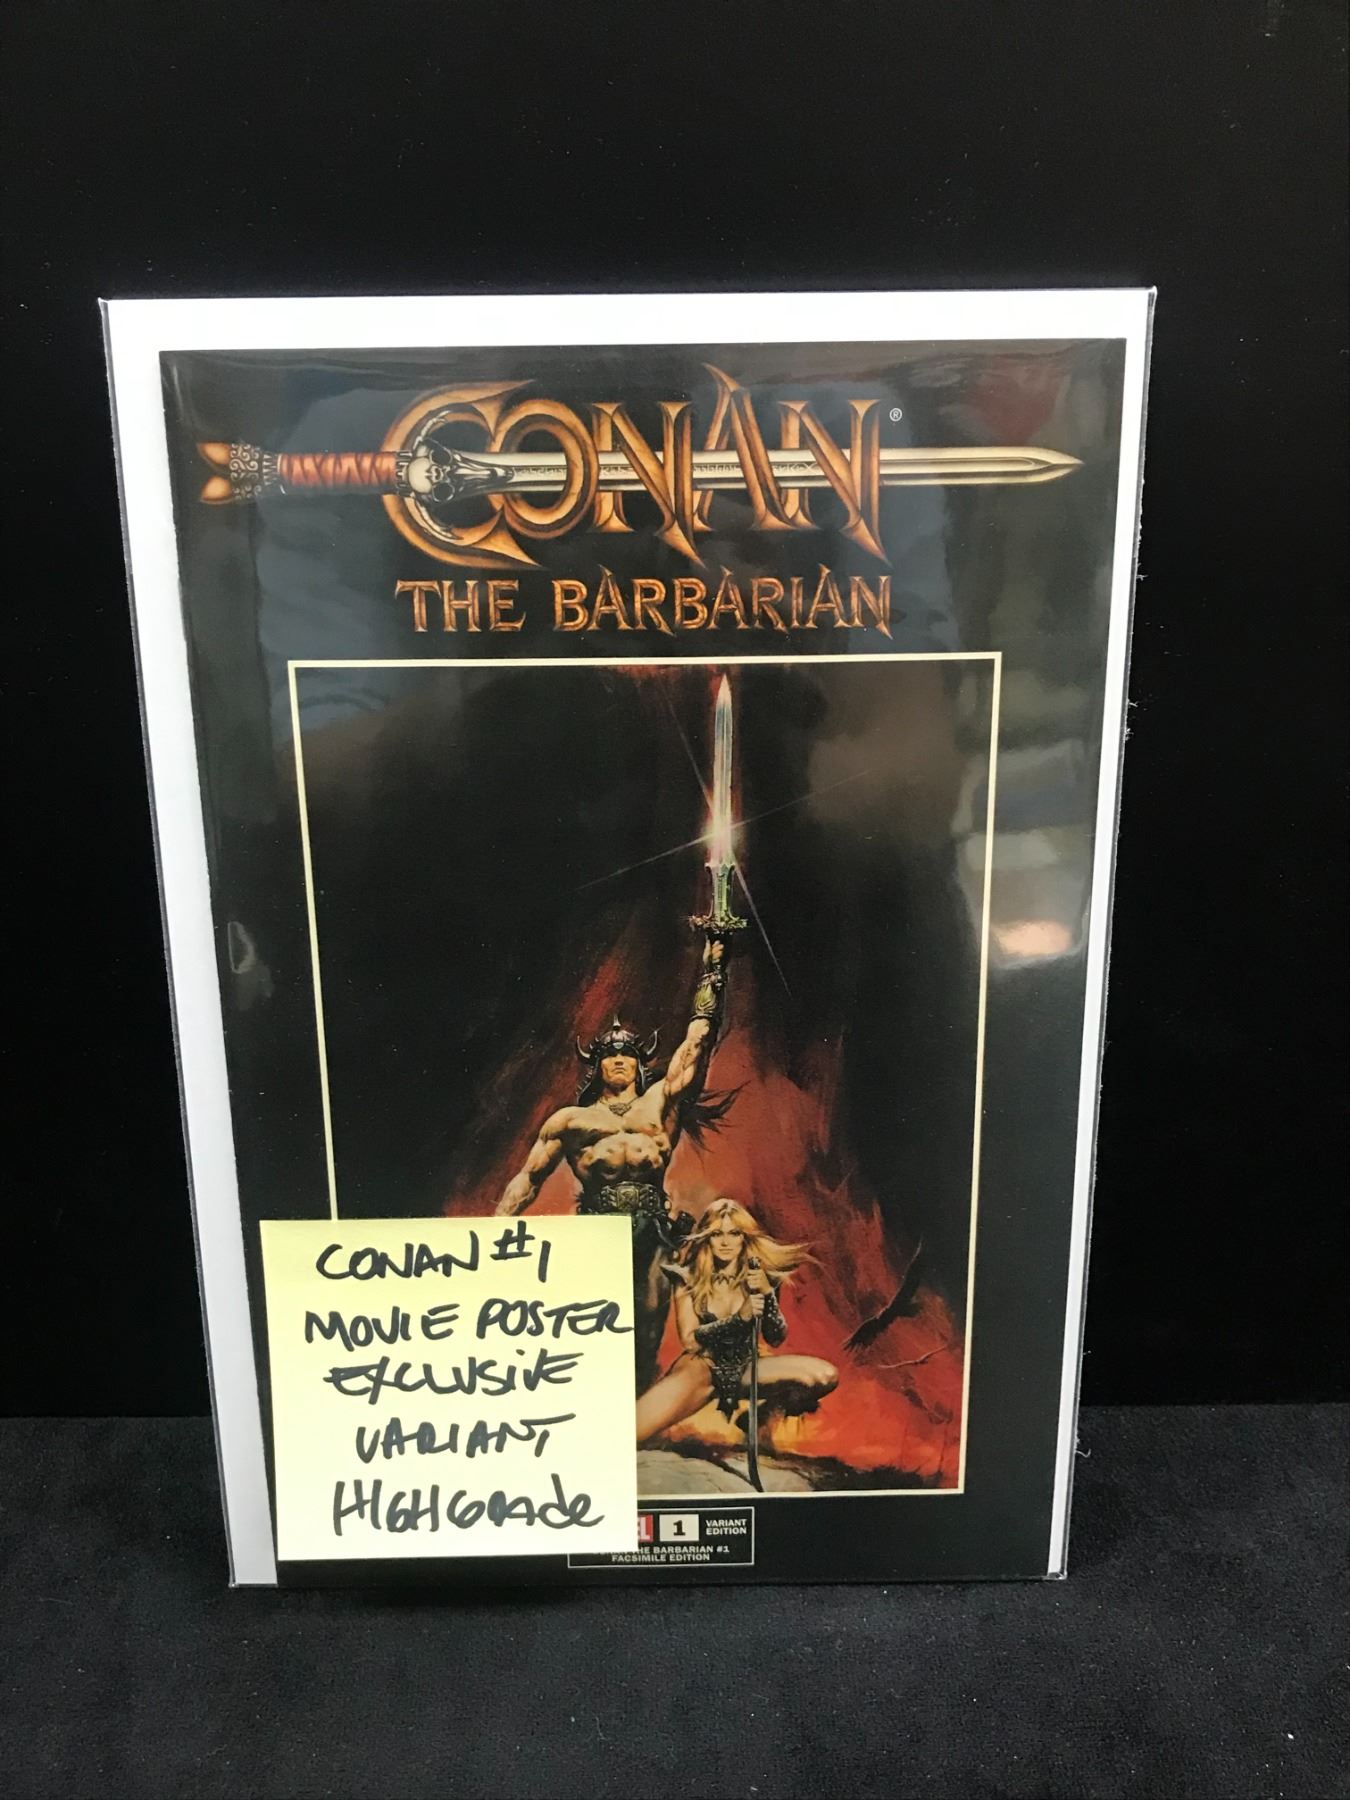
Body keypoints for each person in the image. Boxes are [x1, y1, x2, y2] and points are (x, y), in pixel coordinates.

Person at [495, 935, 737, 1391]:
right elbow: (527, 1179)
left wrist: (715, 967)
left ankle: (639, 1411)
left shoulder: (660, 1103)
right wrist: (496, 1230)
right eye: (611, 1056)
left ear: (639, 1064)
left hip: (653, 1229)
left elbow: (698, 1040)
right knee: (594, 1320)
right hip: (597, 1229)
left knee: (648, 1326)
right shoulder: (571, 1120)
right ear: (597, 1067)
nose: (620, 1061)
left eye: (627, 1055)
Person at [635, 1198, 838, 1445]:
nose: (725, 1242)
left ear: (745, 1237)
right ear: (706, 1237)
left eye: (734, 1234)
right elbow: (690, 1340)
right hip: (702, 1369)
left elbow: (775, 1337)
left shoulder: (761, 1275)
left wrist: (767, 1295)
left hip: (746, 1367)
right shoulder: (687, 1277)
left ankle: (758, 1418)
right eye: (716, 1234)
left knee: (824, 1376)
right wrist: (739, 1318)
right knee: (633, 1431)